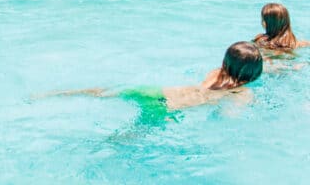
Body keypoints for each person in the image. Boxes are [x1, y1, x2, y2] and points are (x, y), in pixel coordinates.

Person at [48, 42, 263, 125]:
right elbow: (227, 117)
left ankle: (57, 94)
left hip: (156, 92)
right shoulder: (240, 93)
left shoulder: (215, 73)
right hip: (166, 108)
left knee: (105, 92)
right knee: (125, 138)